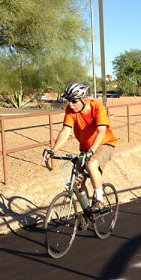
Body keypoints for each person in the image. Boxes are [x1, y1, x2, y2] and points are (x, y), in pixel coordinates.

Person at [49, 82, 117, 210]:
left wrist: (91, 151)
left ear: (84, 99)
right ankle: (87, 211)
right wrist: (52, 150)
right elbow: (65, 132)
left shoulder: (98, 108)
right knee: (77, 183)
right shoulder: (71, 110)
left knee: (91, 164)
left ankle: (99, 200)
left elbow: (101, 132)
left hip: (104, 144)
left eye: (74, 101)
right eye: (69, 101)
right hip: (86, 149)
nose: (71, 105)